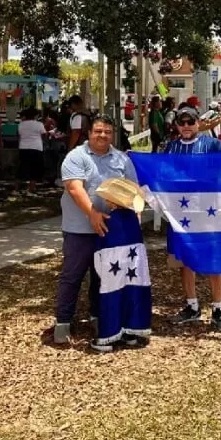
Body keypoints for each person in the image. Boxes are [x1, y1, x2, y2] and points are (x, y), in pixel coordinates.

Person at [55, 116, 139, 349]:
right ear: (89, 133)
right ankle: (62, 321)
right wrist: (92, 213)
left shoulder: (122, 159)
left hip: (112, 231)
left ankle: (99, 317)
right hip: (78, 229)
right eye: (98, 131)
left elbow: (132, 190)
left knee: (103, 277)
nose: (103, 135)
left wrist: (127, 206)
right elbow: (74, 187)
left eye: (108, 132)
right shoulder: (76, 156)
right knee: (72, 276)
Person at [163, 106, 221, 332]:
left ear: (198, 123)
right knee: (186, 260)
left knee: (214, 259)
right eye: (182, 122)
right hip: (181, 214)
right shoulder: (171, 148)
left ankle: (218, 308)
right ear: (177, 125)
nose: (186, 126)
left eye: (190, 122)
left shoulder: (211, 144)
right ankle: (191, 305)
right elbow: (158, 171)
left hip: (208, 211)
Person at [17, 108, 46, 193]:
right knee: (35, 168)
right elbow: (44, 135)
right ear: (36, 115)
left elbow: (18, 135)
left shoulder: (21, 124)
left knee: (22, 167)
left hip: (23, 148)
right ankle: (32, 187)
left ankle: (17, 187)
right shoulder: (39, 124)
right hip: (36, 147)